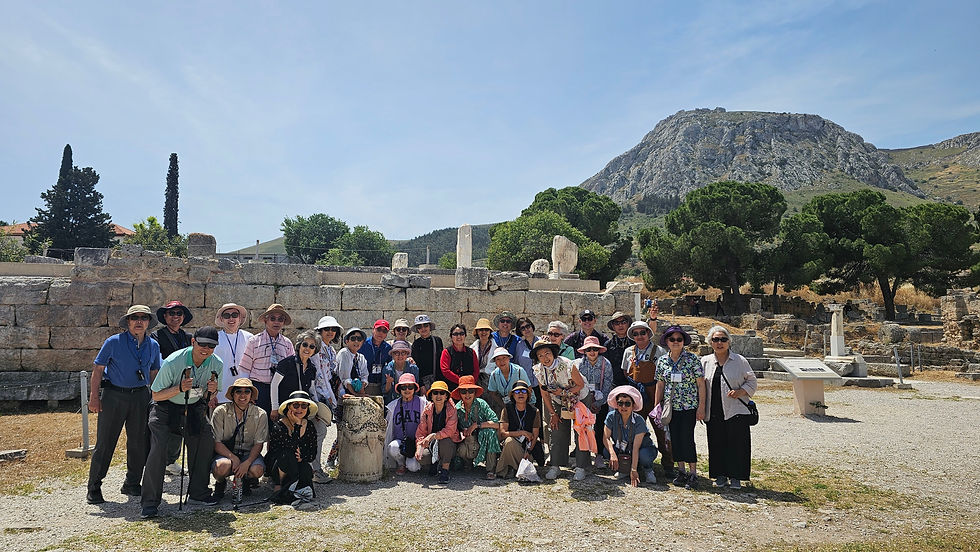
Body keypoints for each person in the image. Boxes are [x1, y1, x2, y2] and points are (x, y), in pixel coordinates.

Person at [141, 326, 223, 519]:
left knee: (205, 439)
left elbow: (207, 394)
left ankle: (198, 493)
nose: (206, 348)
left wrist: (211, 391)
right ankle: (150, 502)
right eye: (202, 343)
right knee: (159, 449)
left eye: (211, 346)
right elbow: (156, 394)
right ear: (193, 342)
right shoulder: (173, 361)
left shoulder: (216, 364)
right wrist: (178, 388)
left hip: (193, 406)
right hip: (164, 406)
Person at [86, 305, 160, 505]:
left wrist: (156, 398)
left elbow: (154, 373)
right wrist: (94, 396)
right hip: (114, 396)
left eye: (143, 318)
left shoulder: (153, 345)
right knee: (105, 442)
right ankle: (94, 486)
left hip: (140, 397)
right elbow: (98, 369)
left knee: (138, 443)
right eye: (134, 318)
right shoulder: (113, 342)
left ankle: (132, 483)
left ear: (148, 322)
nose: (139, 321)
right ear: (127, 322)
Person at [701, 325, 757, 490]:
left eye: (723, 339)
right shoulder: (705, 362)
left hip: (736, 410)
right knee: (716, 443)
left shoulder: (739, 361)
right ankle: (720, 475)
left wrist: (741, 392)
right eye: (716, 339)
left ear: (729, 342)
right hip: (714, 409)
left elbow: (752, 381)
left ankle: (736, 477)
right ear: (710, 342)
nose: (719, 343)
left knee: (737, 444)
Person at [655, 325, 705, 490]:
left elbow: (700, 385)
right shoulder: (662, 361)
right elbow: (660, 385)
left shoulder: (692, 359)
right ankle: (681, 471)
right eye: (672, 339)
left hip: (689, 407)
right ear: (667, 342)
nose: (675, 342)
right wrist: (657, 406)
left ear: (683, 341)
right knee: (674, 440)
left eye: (679, 339)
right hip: (671, 407)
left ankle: (693, 473)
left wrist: (701, 406)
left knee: (687, 439)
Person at [621, 319, 673, 478]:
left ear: (649, 334)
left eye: (642, 332)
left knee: (662, 430)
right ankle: (631, 462)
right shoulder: (629, 352)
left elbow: (665, 375)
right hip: (636, 395)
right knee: (632, 429)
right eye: (636, 334)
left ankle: (668, 464)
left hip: (655, 393)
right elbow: (625, 372)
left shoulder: (659, 352)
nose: (639, 336)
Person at [532, 338, 589, 481]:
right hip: (557, 399)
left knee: (580, 430)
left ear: (553, 353)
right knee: (556, 429)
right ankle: (556, 465)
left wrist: (562, 393)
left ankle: (581, 466)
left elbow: (580, 384)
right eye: (540, 356)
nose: (545, 358)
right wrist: (552, 413)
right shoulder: (539, 370)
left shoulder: (568, 365)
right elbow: (544, 393)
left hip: (579, 397)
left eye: (547, 353)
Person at [151, 300, 194, 477]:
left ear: (183, 317)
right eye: (171, 313)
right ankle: (155, 460)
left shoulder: (188, 337)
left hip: (183, 385)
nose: (175, 317)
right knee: (159, 425)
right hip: (164, 385)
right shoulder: (156, 337)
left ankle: (170, 460)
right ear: (165, 316)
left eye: (179, 314)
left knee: (179, 424)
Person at [211, 378, 268, 501]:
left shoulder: (261, 414)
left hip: (249, 454)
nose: (242, 395)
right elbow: (217, 442)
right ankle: (221, 482)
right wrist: (233, 458)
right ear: (232, 394)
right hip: (226, 453)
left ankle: (246, 480)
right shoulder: (220, 412)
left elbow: (259, 444)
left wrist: (246, 463)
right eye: (238, 391)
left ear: (251, 395)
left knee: (257, 470)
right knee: (221, 466)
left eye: (247, 391)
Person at [239, 304, 294, 415]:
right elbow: (245, 369)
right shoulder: (254, 341)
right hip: (259, 389)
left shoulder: (287, 344)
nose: (276, 322)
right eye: (272, 318)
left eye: (280, 319)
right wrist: (247, 392)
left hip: (280, 389)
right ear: (265, 320)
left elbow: (291, 372)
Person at [267, 391, 319, 507]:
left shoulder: (309, 425)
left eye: (303, 406)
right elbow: (291, 446)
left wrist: (302, 457)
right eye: (295, 405)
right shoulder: (279, 426)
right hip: (280, 464)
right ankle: (280, 486)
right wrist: (297, 425)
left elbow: (312, 453)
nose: (299, 409)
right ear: (289, 407)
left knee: (305, 466)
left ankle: (293, 490)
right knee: (288, 454)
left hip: (298, 463)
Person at [604, 385, 658, 486]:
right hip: (623, 449)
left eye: (627, 403)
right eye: (620, 403)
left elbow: (636, 447)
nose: (623, 407)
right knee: (606, 451)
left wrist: (633, 469)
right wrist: (612, 454)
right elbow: (606, 438)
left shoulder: (639, 420)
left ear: (633, 405)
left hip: (642, 449)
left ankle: (648, 469)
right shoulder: (611, 416)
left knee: (644, 456)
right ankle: (624, 470)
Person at [310, 315, 342, 481]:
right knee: (319, 433)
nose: (330, 332)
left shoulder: (331, 350)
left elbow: (330, 375)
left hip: (327, 395)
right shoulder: (316, 348)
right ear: (320, 331)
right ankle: (315, 471)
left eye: (333, 329)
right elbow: (318, 376)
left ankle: (315, 469)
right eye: (327, 329)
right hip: (318, 396)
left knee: (319, 433)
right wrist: (326, 398)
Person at [574, 336, 614, 468]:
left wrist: (598, 403)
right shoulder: (578, 364)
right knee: (581, 428)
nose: (592, 352)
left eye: (595, 349)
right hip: (582, 401)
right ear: (584, 351)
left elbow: (608, 385)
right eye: (589, 349)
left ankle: (599, 455)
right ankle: (583, 457)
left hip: (600, 400)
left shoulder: (605, 364)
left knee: (599, 428)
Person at [452, 375, 502, 479]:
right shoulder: (456, 409)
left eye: (470, 390)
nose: (467, 394)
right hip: (466, 441)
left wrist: (477, 425)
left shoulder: (482, 404)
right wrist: (462, 432)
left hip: (483, 439)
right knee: (460, 452)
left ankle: (490, 468)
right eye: (463, 391)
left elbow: (496, 424)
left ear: (474, 392)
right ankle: (467, 462)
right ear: (460, 394)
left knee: (490, 432)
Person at [495, 380, 544, 478]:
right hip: (512, 442)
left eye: (524, 391)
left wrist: (529, 451)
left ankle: (515, 469)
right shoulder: (507, 409)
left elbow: (535, 435)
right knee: (509, 442)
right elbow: (503, 433)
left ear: (528, 395)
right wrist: (522, 432)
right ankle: (510, 468)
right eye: (517, 392)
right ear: (513, 395)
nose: (520, 394)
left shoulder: (535, 411)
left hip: (527, 447)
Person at [415, 381, 460, 484]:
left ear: (446, 396)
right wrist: (419, 447)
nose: (438, 396)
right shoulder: (427, 410)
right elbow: (421, 432)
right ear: (431, 395)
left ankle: (445, 470)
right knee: (422, 457)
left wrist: (433, 435)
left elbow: (450, 431)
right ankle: (434, 464)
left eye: (442, 393)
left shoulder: (452, 410)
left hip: (448, 444)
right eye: (435, 393)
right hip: (432, 445)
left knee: (445, 441)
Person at [384, 373, 427, 475]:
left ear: (415, 388)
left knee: (413, 467)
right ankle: (401, 464)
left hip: (417, 442)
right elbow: (387, 427)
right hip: (400, 441)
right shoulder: (393, 406)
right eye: (403, 387)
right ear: (399, 389)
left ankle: (412, 462)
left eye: (410, 387)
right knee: (393, 447)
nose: (407, 390)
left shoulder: (423, 403)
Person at [270, 330, 318, 419]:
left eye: (312, 347)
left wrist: (316, 406)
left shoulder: (312, 368)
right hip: (286, 409)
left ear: (314, 351)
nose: (307, 348)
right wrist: (275, 408)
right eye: (305, 344)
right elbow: (274, 384)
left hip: (302, 411)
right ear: (299, 345)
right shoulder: (286, 363)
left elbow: (311, 389)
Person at [214, 303, 253, 404]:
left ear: (240, 318)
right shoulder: (215, 339)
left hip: (245, 394)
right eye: (227, 316)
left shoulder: (250, 338)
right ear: (222, 319)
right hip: (220, 394)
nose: (231, 319)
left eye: (234, 315)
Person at [440, 323, 479, 392]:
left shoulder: (471, 352)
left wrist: (471, 382)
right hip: (452, 388)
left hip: (469, 388)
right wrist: (461, 381)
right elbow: (445, 371)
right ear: (451, 336)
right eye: (455, 334)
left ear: (465, 335)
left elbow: (476, 370)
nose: (459, 336)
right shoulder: (446, 352)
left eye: (461, 333)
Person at [410, 314, 443, 389]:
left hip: (437, 380)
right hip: (424, 382)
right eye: (419, 327)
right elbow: (416, 366)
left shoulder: (437, 341)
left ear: (429, 327)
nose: (423, 328)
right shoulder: (416, 344)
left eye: (425, 325)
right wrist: (421, 385)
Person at [382, 340, 420, 404]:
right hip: (392, 402)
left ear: (407, 355)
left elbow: (415, 389)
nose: (400, 356)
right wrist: (388, 383)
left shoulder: (414, 369)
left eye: (403, 353)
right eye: (396, 353)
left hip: (409, 402)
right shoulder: (387, 369)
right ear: (393, 355)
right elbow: (384, 391)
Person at [361, 320, 393, 395]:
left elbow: (390, 364)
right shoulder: (363, 344)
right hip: (364, 385)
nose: (381, 333)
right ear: (373, 330)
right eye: (379, 330)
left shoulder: (387, 348)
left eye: (384, 331)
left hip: (379, 385)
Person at [604, 311, 634, 386]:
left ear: (628, 324)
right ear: (613, 326)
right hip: (615, 384)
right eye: (617, 323)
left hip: (634, 383)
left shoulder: (635, 342)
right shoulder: (608, 345)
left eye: (623, 322)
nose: (620, 325)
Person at [337, 327, 369, 397]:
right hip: (342, 392)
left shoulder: (361, 358)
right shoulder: (344, 353)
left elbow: (364, 376)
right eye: (353, 338)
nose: (356, 341)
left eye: (359, 339)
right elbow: (345, 379)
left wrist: (361, 389)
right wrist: (356, 395)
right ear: (347, 341)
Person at [471, 318, 496, 390]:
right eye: (481, 330)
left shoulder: (496, 348)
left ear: (490, 332)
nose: (483, 332)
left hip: (490, 381)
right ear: (477, 332)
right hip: (476, 380)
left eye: (486, 330)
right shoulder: (472, 348)